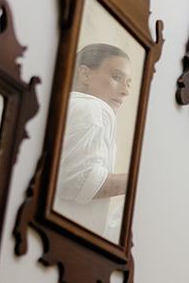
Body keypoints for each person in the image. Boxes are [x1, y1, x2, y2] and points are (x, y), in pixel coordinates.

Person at [55, 43, 132, 239]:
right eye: (116, 77)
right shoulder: (95, 109)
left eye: (129, 82)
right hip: (64, 239)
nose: (125, 91)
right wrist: (139, 180)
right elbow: (78, 181)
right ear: (85, 74)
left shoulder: (69, 106)